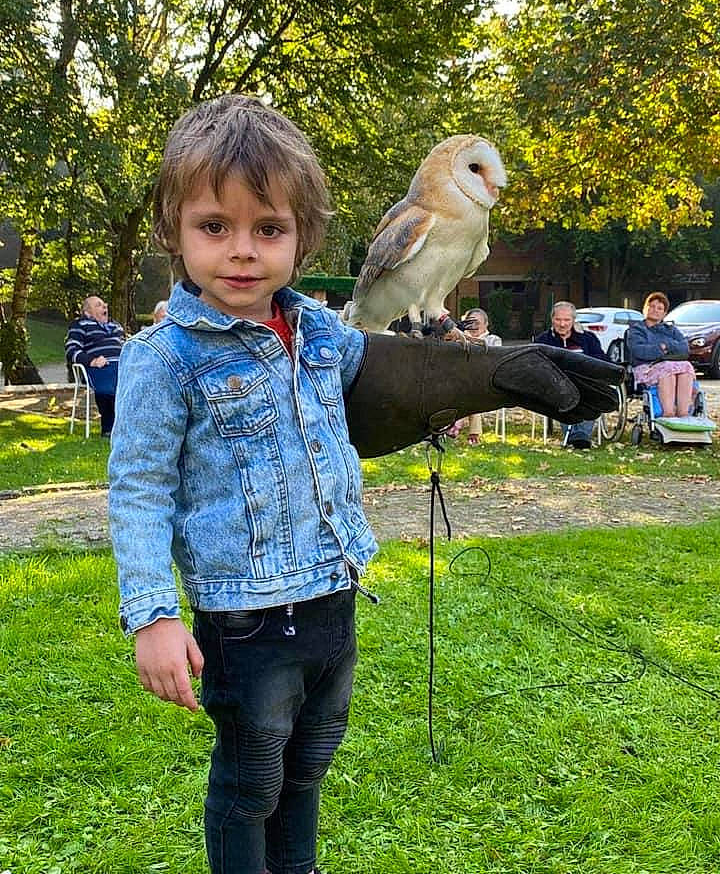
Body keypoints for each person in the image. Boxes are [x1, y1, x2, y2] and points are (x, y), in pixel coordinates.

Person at [108, 95, 623, 874]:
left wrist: (502, 376)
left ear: (302, 237)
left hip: (335, 594)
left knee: (309, 768)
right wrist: (151, 614)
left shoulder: (319, 333)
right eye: (215, 227)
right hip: (245, 616)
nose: (242, 251)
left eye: (268, 229)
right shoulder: (163, 358)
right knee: (250, 782)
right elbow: (140, 491)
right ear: (175, 231)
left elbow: (390, 382)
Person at [534, 301, 609, 449]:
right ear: (552, 320)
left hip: (585, 383)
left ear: (574, 321)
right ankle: (578, 436)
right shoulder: (543, 341)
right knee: (565, 393)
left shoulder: (587, 339)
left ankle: (579, 435)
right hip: (556, 385)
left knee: (590, 394)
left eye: (567, 320)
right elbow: (536, 365)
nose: (562, 324)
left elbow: (602, 360)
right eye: (558, 319)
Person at [627, 291, 695, 417]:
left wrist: (666, 346)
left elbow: (684, 348)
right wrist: (661, 350)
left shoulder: (671, 330)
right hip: (646, 368)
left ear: (664, 314)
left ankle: (683, 414)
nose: (655, 310)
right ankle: (668, 413)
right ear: (645, 309)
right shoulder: (636, 330)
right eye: (652, 306)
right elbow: (639, 351)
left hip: (672, 366)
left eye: (659, 308)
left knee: (686, 368)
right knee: (668, 369)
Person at [65, 295, 125, 436]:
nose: (104, 307)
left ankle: (132, 427)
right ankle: (109, 428)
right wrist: (92, 361)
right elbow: (71, 349)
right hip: (98, 367)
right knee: (109, 384)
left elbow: (126, 345)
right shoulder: (80, 325)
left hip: (123, 366)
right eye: (98, 305)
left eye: (104, 304)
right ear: (87, 313)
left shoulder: (116, 326)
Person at [447, 308, 502, 444]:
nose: (473, 326)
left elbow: (493, 362)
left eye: (477, 322)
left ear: (486, 324)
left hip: (485, 383)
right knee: (469, 393)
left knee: (472, 392)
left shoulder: (493, 340)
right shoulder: (459, 339)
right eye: (469, 323)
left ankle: (457, 424)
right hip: (461, 384)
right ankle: (474, 434)